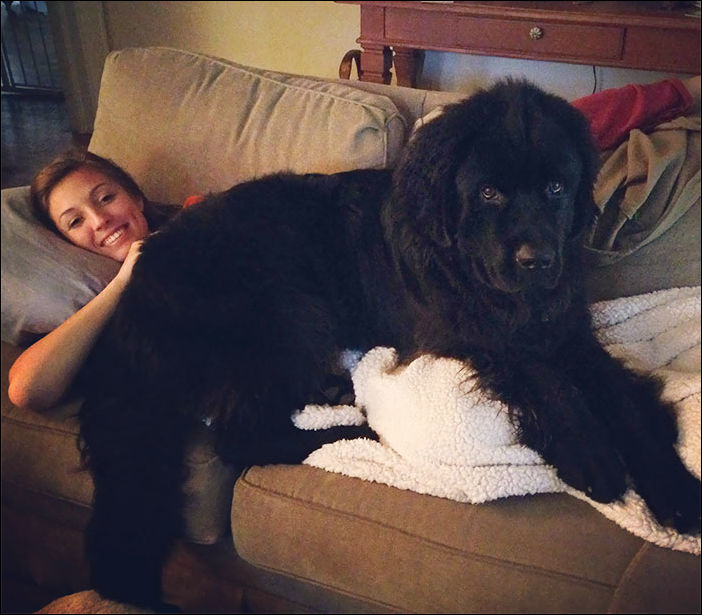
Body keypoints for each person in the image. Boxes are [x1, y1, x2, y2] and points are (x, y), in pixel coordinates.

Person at [7, 76, 701, 411]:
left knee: (527, 140)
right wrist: (130, 276)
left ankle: (670, 93)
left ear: (131, 190)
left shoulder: (202, 215)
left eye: (104, 196)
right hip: (335, 319)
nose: (99, 220)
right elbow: (29, 386)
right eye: (74, 222)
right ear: (65, 243)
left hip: (370, 244)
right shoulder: (97, 294)